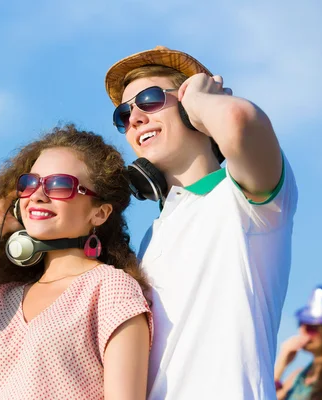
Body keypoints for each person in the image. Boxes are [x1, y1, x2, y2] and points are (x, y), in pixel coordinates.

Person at [104, 46, 299, 399]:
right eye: (124, 114)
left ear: (190, 107)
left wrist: (202, 100)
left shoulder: (242, 199)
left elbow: (239, 120)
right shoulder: (154, 234)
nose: (134, 117)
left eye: (149, 99)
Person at [0, 124, 153, 400]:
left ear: (99, 213)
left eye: (59, 185)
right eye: (29, 184)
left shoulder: (110, 289)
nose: (38, 194)